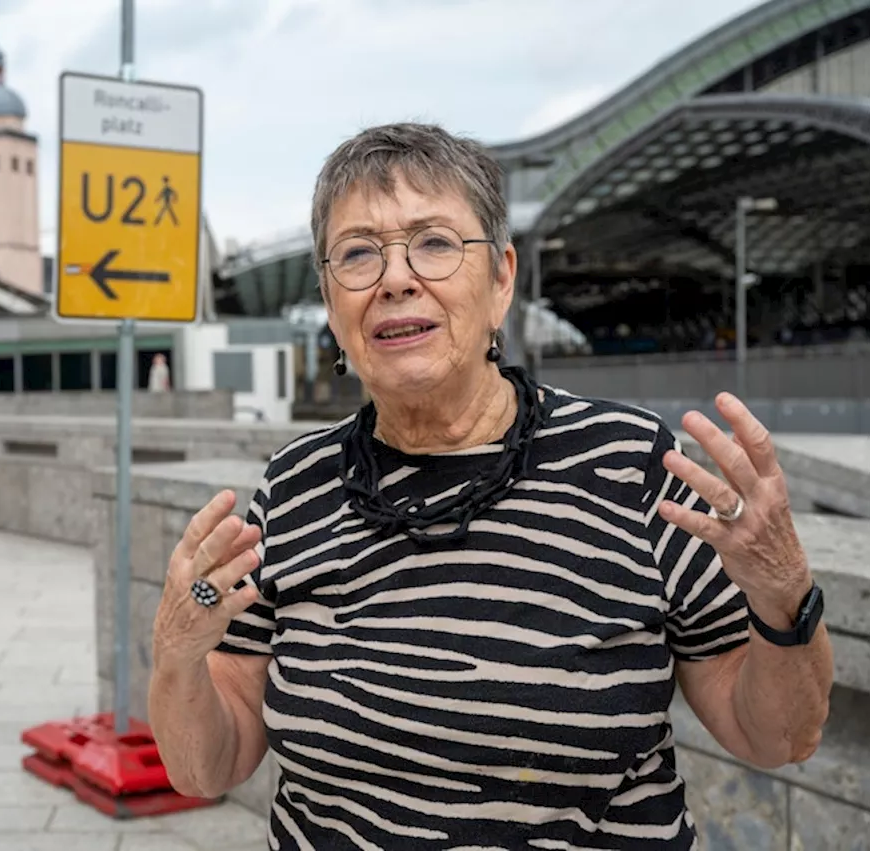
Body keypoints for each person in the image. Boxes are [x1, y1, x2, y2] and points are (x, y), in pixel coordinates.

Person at [147, 123, 833, 850]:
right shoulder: (292, 488)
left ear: (501, 279)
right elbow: (203, 767)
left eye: (435, 243)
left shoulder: (630, 465)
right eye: (358, 254)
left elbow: (778, 737)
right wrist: (177, 651)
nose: (396, 278)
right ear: (329, 300)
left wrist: (782, 590)